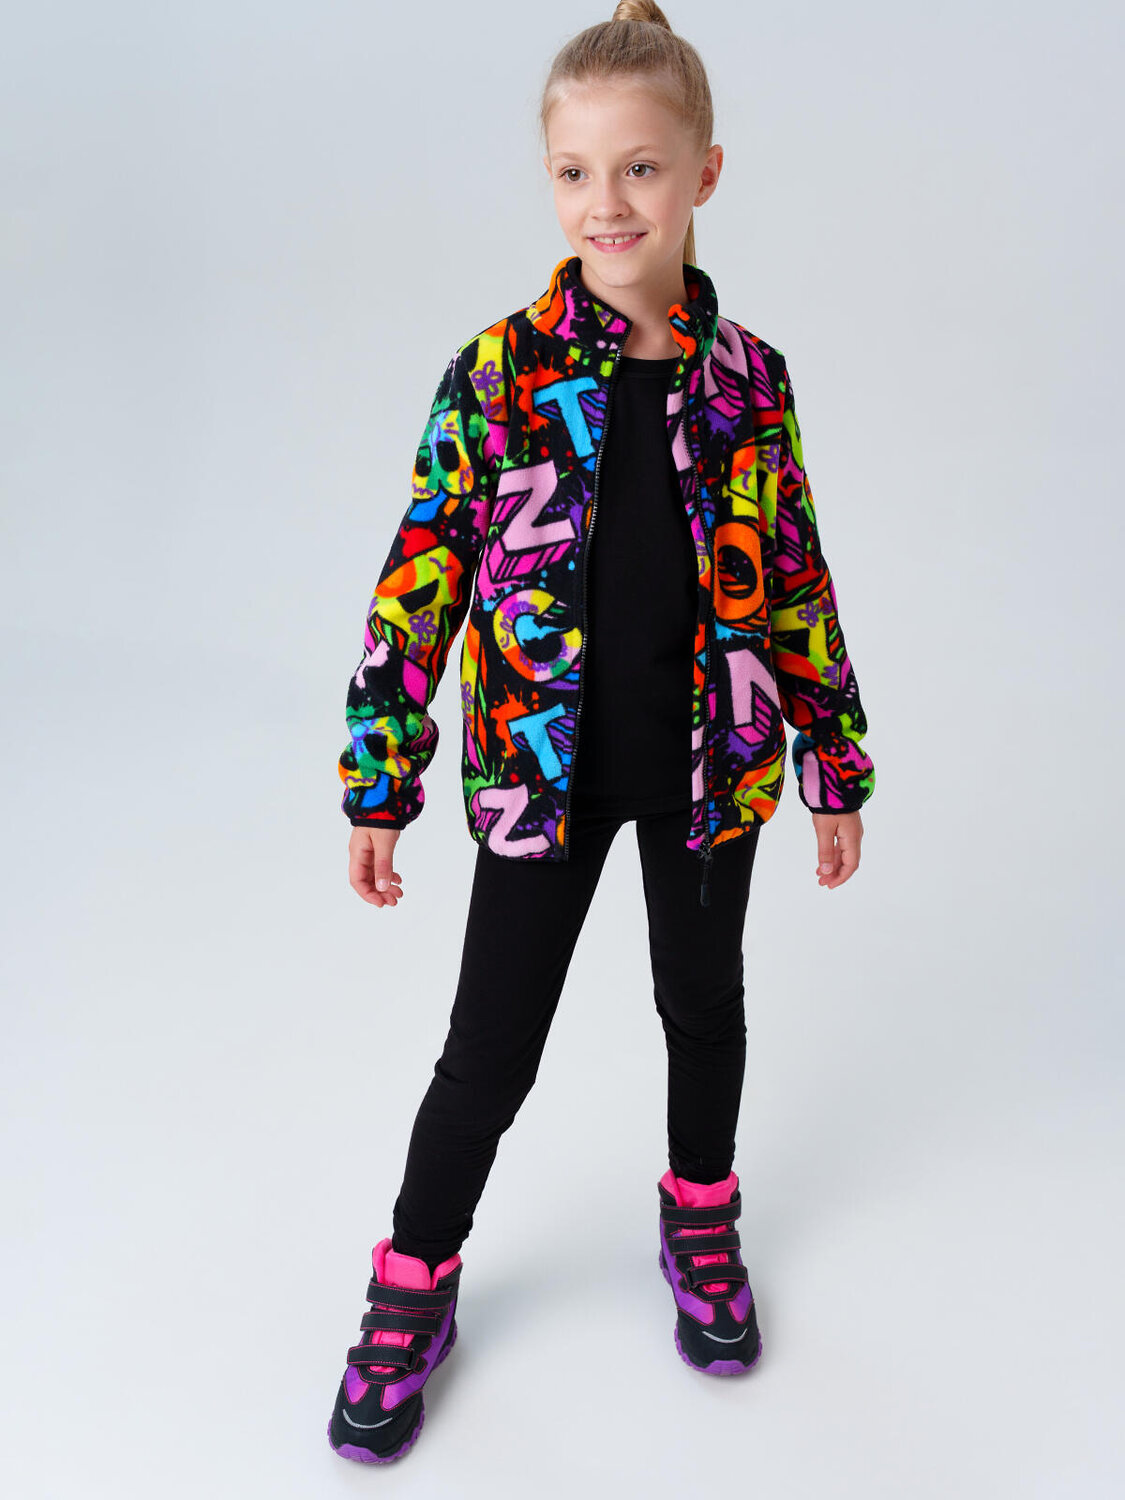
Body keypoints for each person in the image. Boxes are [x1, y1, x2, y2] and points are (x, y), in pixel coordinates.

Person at [326, 0, 875, 1465]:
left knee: (705, 1009)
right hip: (539, 774)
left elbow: (797, 576)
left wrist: (832, 754)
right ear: (549, 180)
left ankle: (700, 1216)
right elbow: (419, 579)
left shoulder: (751, 379)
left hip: (711, 766)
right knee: (488, 1051)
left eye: (639, 168)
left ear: (703, 174)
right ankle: (412, 1278)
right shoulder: (499, 373)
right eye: (575, 172)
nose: (605, 203)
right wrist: (381, 777)